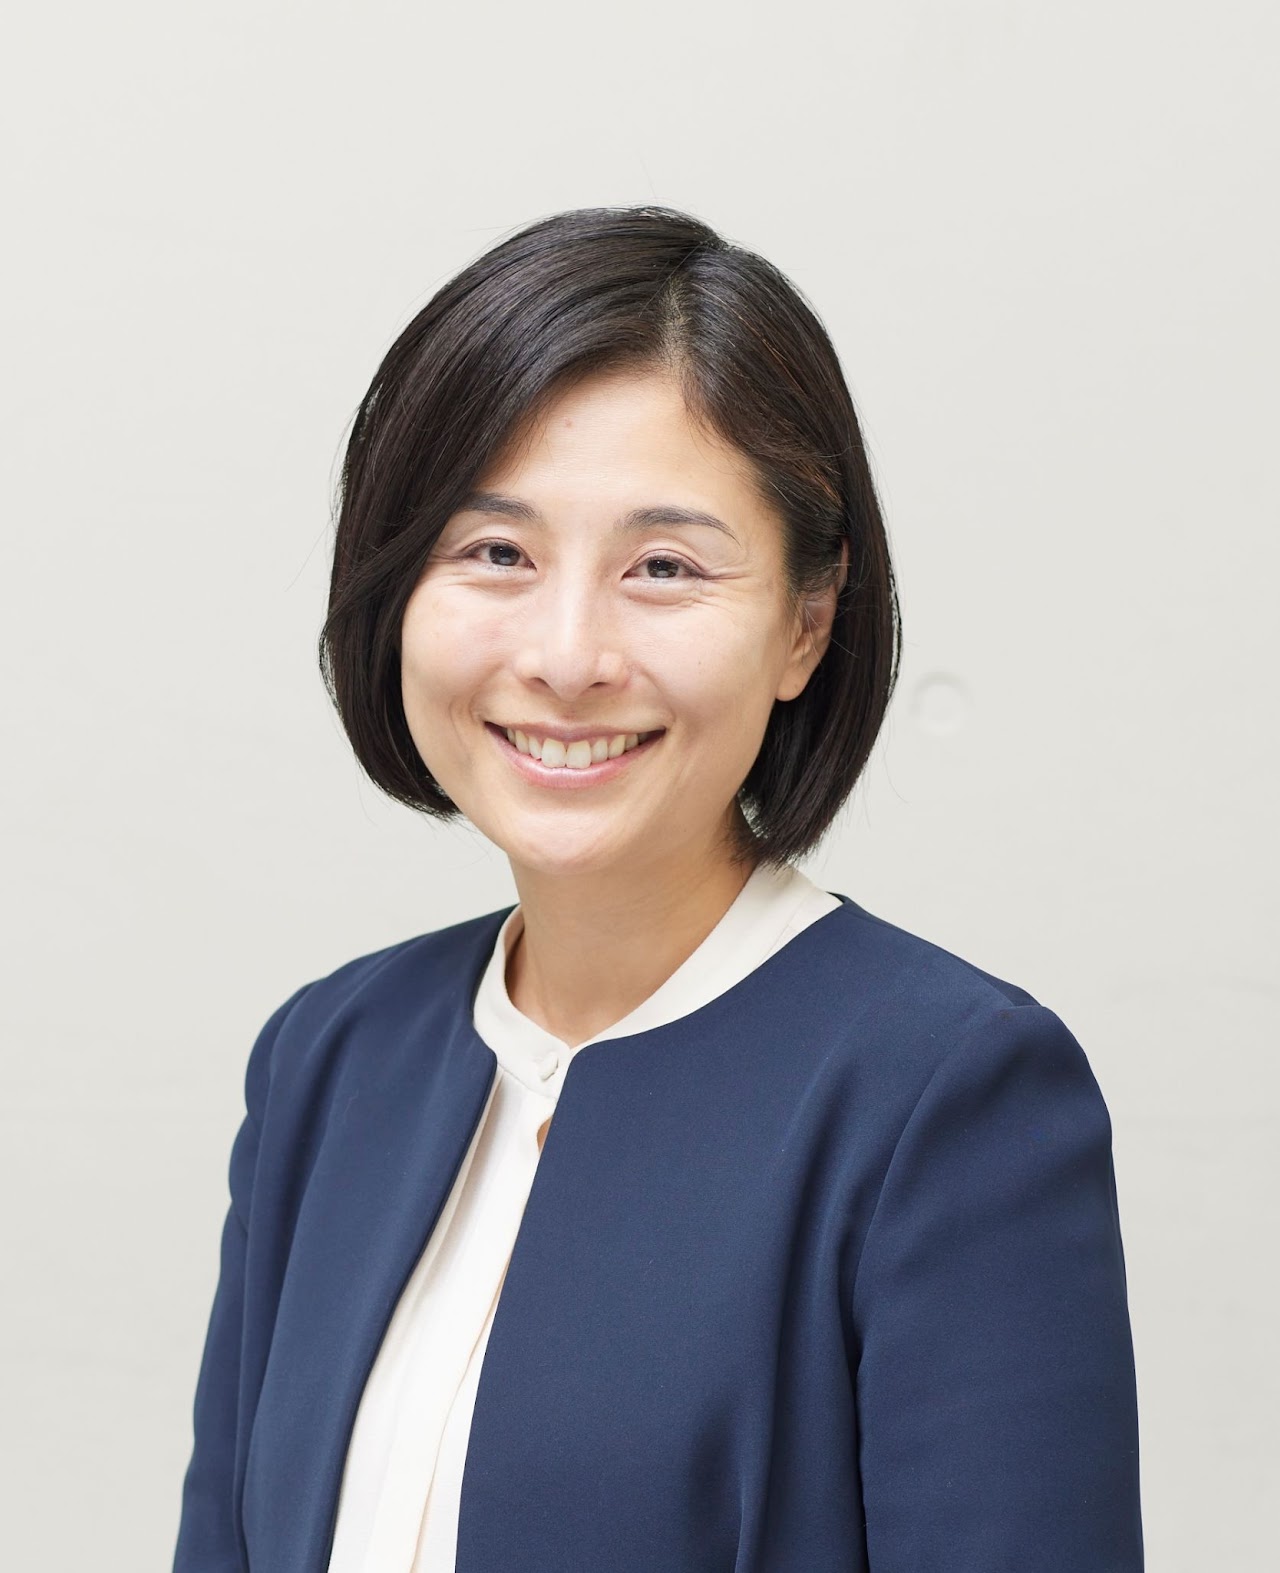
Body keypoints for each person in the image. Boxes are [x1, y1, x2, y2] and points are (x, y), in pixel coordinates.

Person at [171, 206, 1144, 1572]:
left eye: (664, 568)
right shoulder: (330, 1058)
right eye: (496, 552)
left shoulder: (947, 1099)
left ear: (807, 623)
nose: (567, 656)